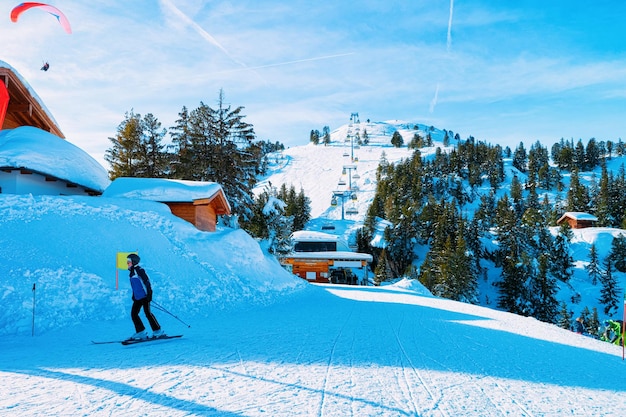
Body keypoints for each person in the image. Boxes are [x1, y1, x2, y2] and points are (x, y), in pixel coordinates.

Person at [127, 254, 164, 340]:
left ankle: (158, 331)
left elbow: (147, 282)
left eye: (129, 261)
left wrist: (149, 294)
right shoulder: (132, 272)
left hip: (145, 296)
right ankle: (141, 332)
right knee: (134, 314)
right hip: (138, 297)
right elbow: (135, 285)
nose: (127, 263)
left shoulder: (140, 270)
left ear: (134, 262)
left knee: (148, 313)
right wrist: (134, 295)